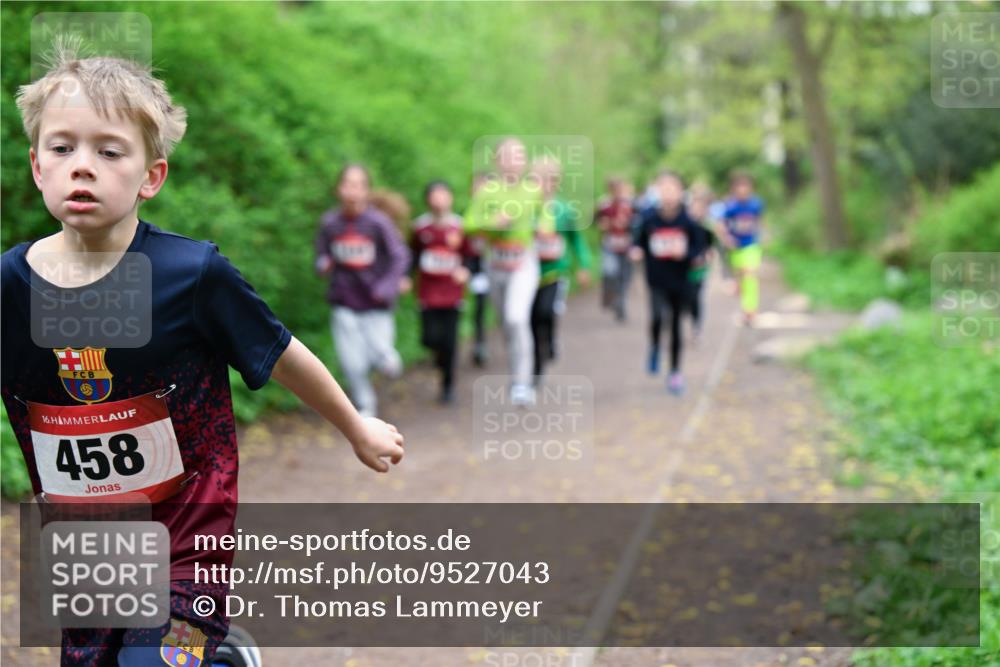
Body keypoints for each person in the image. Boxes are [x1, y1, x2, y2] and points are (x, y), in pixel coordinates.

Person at [1, 48, 404, 666]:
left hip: (188, 538)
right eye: (62, 148)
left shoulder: (191, 276)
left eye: (109, 152)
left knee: (157, 661)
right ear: (36, 166)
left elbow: (282, 351)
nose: (83, 166)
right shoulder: (8, 287)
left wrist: (356, 426)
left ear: (150, 177)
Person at [315, 164, 411, 418]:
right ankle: (365, 406)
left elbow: (400, 256)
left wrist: (387, 286)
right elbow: (322, 255)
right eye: (347, 184)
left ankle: (387, 360)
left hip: (376, 303)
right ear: (338, 189)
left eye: (358, 185)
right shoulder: (330, 223)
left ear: (367, 191)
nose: (352, 191)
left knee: (381, 357)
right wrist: (323, 264)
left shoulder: (378, 223)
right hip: (344, 301)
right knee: (351, 363)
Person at [463, 137, 540, 406]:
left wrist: (545, 229)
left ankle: (523, 382)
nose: (513, 161)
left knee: (517, 317)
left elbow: (547, 217)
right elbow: (469, 224)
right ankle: (516, 372)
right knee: (506, 324)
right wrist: (493, 223)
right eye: (507, 156)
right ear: (497, 161)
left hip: (523, 262)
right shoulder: (487, 192)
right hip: (495, 263)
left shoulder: (533, 190)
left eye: (519, 156)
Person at [630, 171, 699, 396]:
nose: (668, 193)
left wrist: (686, 253)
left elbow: (699, 250)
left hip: (680, 280)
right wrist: (637, 251)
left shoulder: (688, 221)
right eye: (664, 188)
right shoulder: (649, 218)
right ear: (657, 192)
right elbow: (637, 242)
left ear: (681, 192)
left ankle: (675, 372)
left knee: (676, 324)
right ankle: (654, 346)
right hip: (656, 279)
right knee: (658, 317)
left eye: (673, 189)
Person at [529, 157, 592, 379]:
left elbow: (577, 240)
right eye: (536, 180)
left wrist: (584, 266)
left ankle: (552, 339)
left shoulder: (564, 210)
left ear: (555, 182)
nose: (541, 185)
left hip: (556, 271)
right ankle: (537, 365)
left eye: (547, 180)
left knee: (547, 311)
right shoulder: (525, 208)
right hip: (529, 273)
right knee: (533, 319)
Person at [410, 180, 471, 404]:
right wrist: (407, 277)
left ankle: (448, 387)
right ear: (428, 199)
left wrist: (466, 270)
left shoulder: (461, 227)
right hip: (427, 293)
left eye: (443, 195)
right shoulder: (420, 227)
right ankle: (438, 356)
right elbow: (412, 255)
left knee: (450, 341)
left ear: (451, 198)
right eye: (434, 195)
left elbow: (471, 256)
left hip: (453, 293)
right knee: (430, 338)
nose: (439, 200)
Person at [720, 170, 765, 325]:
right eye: (739, 187)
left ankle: (751, 310)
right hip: (736, 248)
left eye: (746, 186)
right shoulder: (730, 207)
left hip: (751, 246)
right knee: (742, 278)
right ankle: (745, 307)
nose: (742, 190)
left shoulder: (756, 204)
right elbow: (722, 225)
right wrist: (727, 238)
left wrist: (762, 236)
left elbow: (759, 221)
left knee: (750, 275)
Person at [596, 178, 635, 322]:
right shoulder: (604, 205)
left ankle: (621, 304)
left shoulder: (630, 204)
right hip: (610, 245)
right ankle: (610, 296)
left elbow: (638, 223)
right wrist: (609, 223)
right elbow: (598, 223)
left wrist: (628, 224)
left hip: (626, 245)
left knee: (625, 277)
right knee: (610, 273)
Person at [466, 171, 494, 367]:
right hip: (475, 267)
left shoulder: (501, 214)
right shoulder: (468, 213)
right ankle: (480, 343)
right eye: (478, 187)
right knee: (479, 305)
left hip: (498, 267)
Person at [686, 182, 718, 344]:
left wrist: (708, 254)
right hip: (682, 267)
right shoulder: (683, 224)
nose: (696, 211)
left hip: (699, 267)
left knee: (696, 297)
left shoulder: (706, 226)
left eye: (700, 208)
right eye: (694, 207)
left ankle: (696, 327)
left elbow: (711, 245)